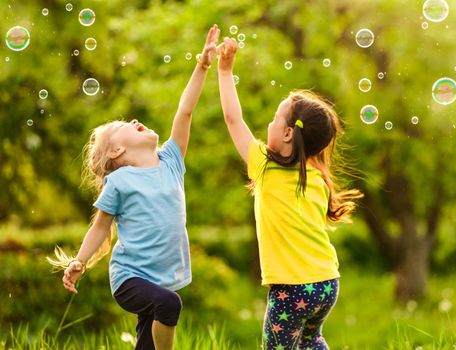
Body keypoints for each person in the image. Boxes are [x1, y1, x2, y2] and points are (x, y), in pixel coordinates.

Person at [47, 25, 221, 350]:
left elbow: (185, 111)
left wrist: (203, 66)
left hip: (160, 276)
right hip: (130, 279)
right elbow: (100, 227)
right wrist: (80, 261)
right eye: (122, 126)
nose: (132, 121)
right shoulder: (120, 181)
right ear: (117, 152)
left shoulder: (170, 160)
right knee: (169, 305)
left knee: (147, 341)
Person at [217, 37, 362, 349]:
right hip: (327, 283)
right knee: (312, 340)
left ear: (286, 133)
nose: (268, 123)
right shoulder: (318, 177)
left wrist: (225, 72)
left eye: (274, 119)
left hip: (292, 290)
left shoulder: (265, 167)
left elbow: (233, 119)